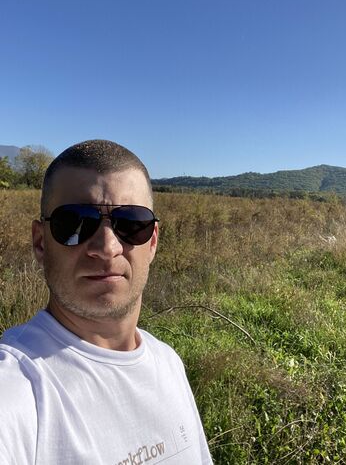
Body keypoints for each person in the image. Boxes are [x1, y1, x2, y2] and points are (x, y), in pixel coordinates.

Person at [0, 139, 213, 465]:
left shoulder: (168, 363)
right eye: (75, 223)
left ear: (153, 242)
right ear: (40, 242)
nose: (107, 247)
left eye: (131, 224)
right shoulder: (19, 385)